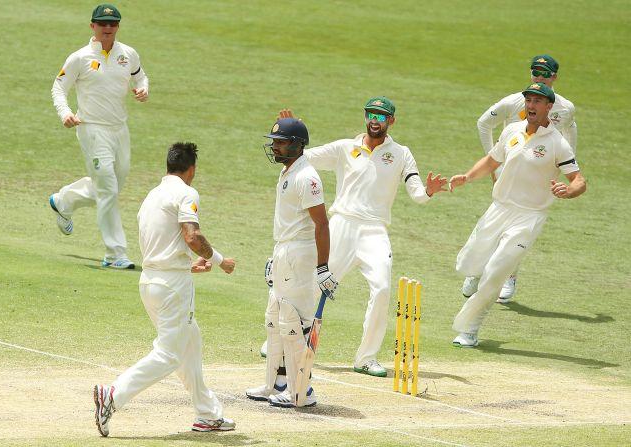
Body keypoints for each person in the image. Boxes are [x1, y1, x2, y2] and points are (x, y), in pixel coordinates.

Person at [279, 97, 448, 377]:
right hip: (342, 224)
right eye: (371, 114)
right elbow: (303, 157)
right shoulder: (345, 147)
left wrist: (428, 191)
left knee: (382, 289)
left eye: (381, 117)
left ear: (391, 121)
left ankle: (366, 358)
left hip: (375, 231)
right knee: (314, 284)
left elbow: (416, 193)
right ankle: (285, 341)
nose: (375, 120)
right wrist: (293, 132)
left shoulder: (402, 153)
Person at [93, 142, 237, 436]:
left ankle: (208, 415)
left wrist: (185, 265)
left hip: (151, 281)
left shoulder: (152, 195)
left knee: (190, 341)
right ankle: (113, 395)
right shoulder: (186, 192)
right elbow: (192, 237)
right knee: (169, 355)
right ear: (191, 170)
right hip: (172, 287)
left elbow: (164, 241)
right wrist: (220, 261)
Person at [449, 83, 586, 347]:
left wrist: (568, 191)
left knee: (497, 271)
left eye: (538, 101)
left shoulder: (557, 143)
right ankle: (475, 273)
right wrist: (466, 177)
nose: (531, 105)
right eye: (529, 100)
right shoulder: (512, 130)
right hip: (498, 208)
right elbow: (492, 160)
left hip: (528, 216)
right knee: (468, 264)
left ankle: (469, 330)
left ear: (549, 107)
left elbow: (579, 180)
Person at [246, 117, 337, 408]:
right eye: (275, 141)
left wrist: (322, 267)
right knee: (275, 319)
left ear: (297, 145)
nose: (275, 146)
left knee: (294, 322)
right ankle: (276, 383)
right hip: (285, 250)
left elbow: (321, 224)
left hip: (300, 254)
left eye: (281, 142)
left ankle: (303, 391)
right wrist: (276, 256)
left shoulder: (306, 177)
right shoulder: (290, 171)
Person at [49, 3, 149, 269]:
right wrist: (65, 114)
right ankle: (115, 254)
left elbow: (140, 77)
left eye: (113, 24)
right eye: (102, 24)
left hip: (120, 128)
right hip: (91, 128)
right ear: (92, 25)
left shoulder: (128, 54)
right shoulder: (79, 58)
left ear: (117, 26)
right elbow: (58, 89)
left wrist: (142, 89)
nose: (108, 28)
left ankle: (64, 201)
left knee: (113, 185)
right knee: (107, 188)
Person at [469, 54, 577, 301]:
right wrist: (495, 163)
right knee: (495, 222)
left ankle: (509, 277)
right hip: (509, 168)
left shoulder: (565, 107)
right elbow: (484, 124)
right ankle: (476, 270)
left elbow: (571, 127)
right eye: (535, 72)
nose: (539, 77)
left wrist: (569, 160)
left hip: (540, 172)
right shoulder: (515, 101)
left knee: (519, 229)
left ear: (554, 77)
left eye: (544, 73)